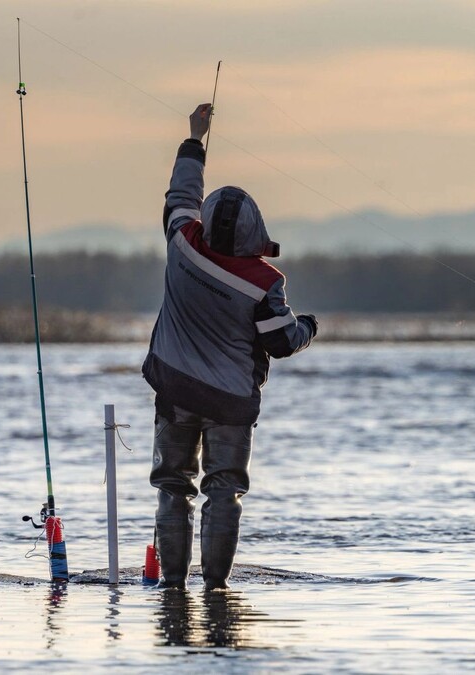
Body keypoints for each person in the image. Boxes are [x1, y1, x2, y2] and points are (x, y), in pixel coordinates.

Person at [143, 103, 317, 590]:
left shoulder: (181, 242)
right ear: (252, 232)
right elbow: (282, 342)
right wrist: (310, 326)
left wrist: (195, 138)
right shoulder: (264, 282)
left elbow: (181, 191)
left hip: (175, 391)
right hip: (230, 402)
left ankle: (172, 587)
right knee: (225, 492)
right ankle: (216, 589)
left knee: (173, 488)